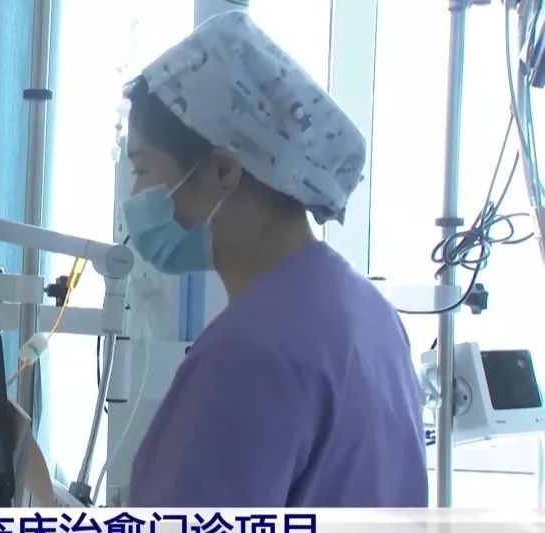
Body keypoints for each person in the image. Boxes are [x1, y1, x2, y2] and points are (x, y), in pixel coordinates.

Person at [123, 11, 428, 507]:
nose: (134, 197)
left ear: (223, 171)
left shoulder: (245, 356)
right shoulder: (372, 315)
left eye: (141, 170)